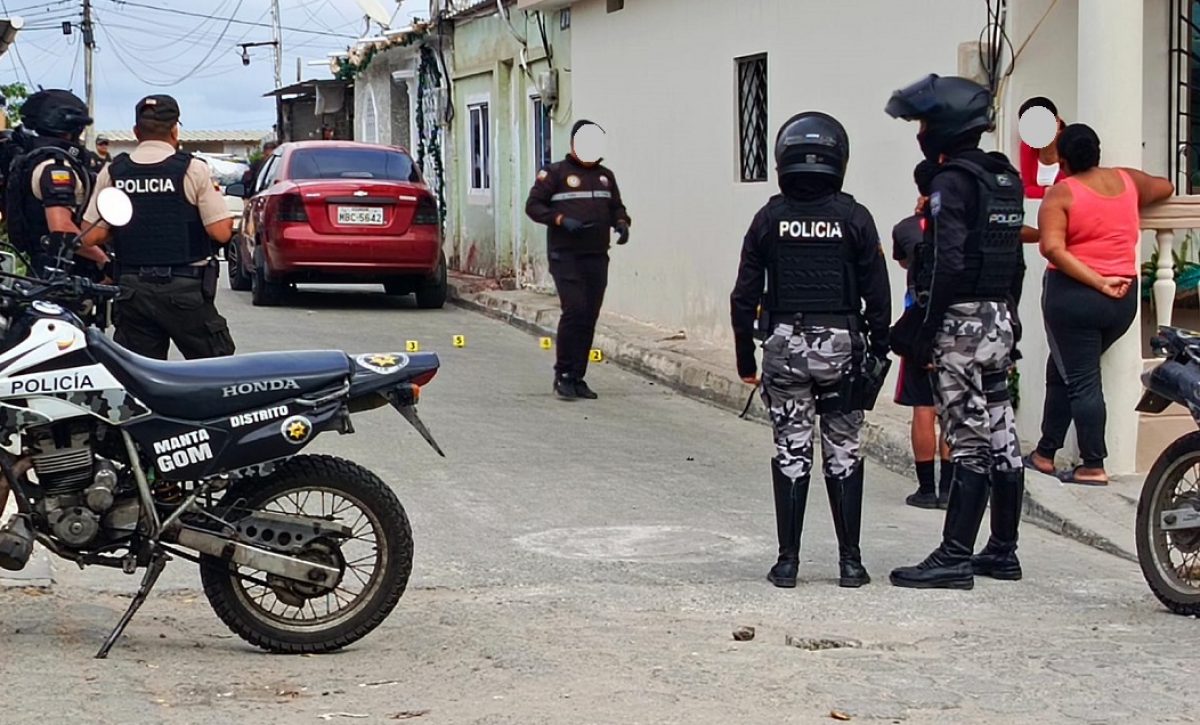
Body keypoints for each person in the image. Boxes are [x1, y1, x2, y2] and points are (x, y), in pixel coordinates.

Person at [730, 112, 891, 589]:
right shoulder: (855, 218)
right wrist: (879, 350)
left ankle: (787, 563)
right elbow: (877, 294)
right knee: (844, 450)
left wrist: (745, 359)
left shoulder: (769, 219)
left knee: (791, 449)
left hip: (784, 347)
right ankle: (851, 563)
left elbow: (743, 296)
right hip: (842, 347)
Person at [885, 74, 1027, 589]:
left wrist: (925, 328)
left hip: (962, 324)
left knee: (968, 439)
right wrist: (1011, 317)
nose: (921, 131)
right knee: (1002, 433)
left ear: (941, 127)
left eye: (923, 122)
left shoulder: (952, 183)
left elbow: (946, 259)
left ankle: (954, 555)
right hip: (998, 318)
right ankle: (1002, 551)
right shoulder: (1002, 177)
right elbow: (1014, 260)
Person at [1028, 124, 1174, 485]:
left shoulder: (1061, 194)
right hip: (1123, 301)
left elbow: (1052, 248)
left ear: (1062, 160)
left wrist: (1096, 280)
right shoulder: (1127, 181)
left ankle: (1093, 463)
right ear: (1098, 152)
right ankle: (1046, 452)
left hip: (1076, 298)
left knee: (1081, 379)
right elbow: (1166, 186)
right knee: (1061, 370)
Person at [81, 94, 236, 360]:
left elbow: (90, 235)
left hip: (132, 291)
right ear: (175, 130)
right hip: (184, 289)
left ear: (136, 132)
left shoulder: (114, 171)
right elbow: (220, 232)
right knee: (215, 371)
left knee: (138, 376)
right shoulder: (193, 169)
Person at [526, 119, 631, 400]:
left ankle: (577, 376)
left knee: (589, 315)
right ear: (573, 143)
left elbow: (616, 206)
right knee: (575, 309)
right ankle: (562, 374)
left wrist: (621, 223)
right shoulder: (555, 174)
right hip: (566, 254)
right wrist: (560, 219)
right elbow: (533, 206)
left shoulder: (605, 176)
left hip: (596, 255)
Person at [893, 159, 953, 509]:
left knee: (923, 408)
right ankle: (948, 490)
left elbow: (904, 262)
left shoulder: (905, 227)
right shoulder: (959, 225)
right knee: (949, 409)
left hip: (918, 328)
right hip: (955, 326)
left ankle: (926, 489)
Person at [3, 89, 110, 280]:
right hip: (63, 277)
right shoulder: (55, 167)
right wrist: (103, 260)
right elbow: (61, 229)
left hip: (43, 271)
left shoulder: (32, 159)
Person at [1018, 97, 1066, 200]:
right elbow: (1027, 189)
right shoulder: (1027, 146)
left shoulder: (1070, 144)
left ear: (1057, 122)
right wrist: (1050, 192)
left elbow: (1071, 190)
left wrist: (1044, 192)